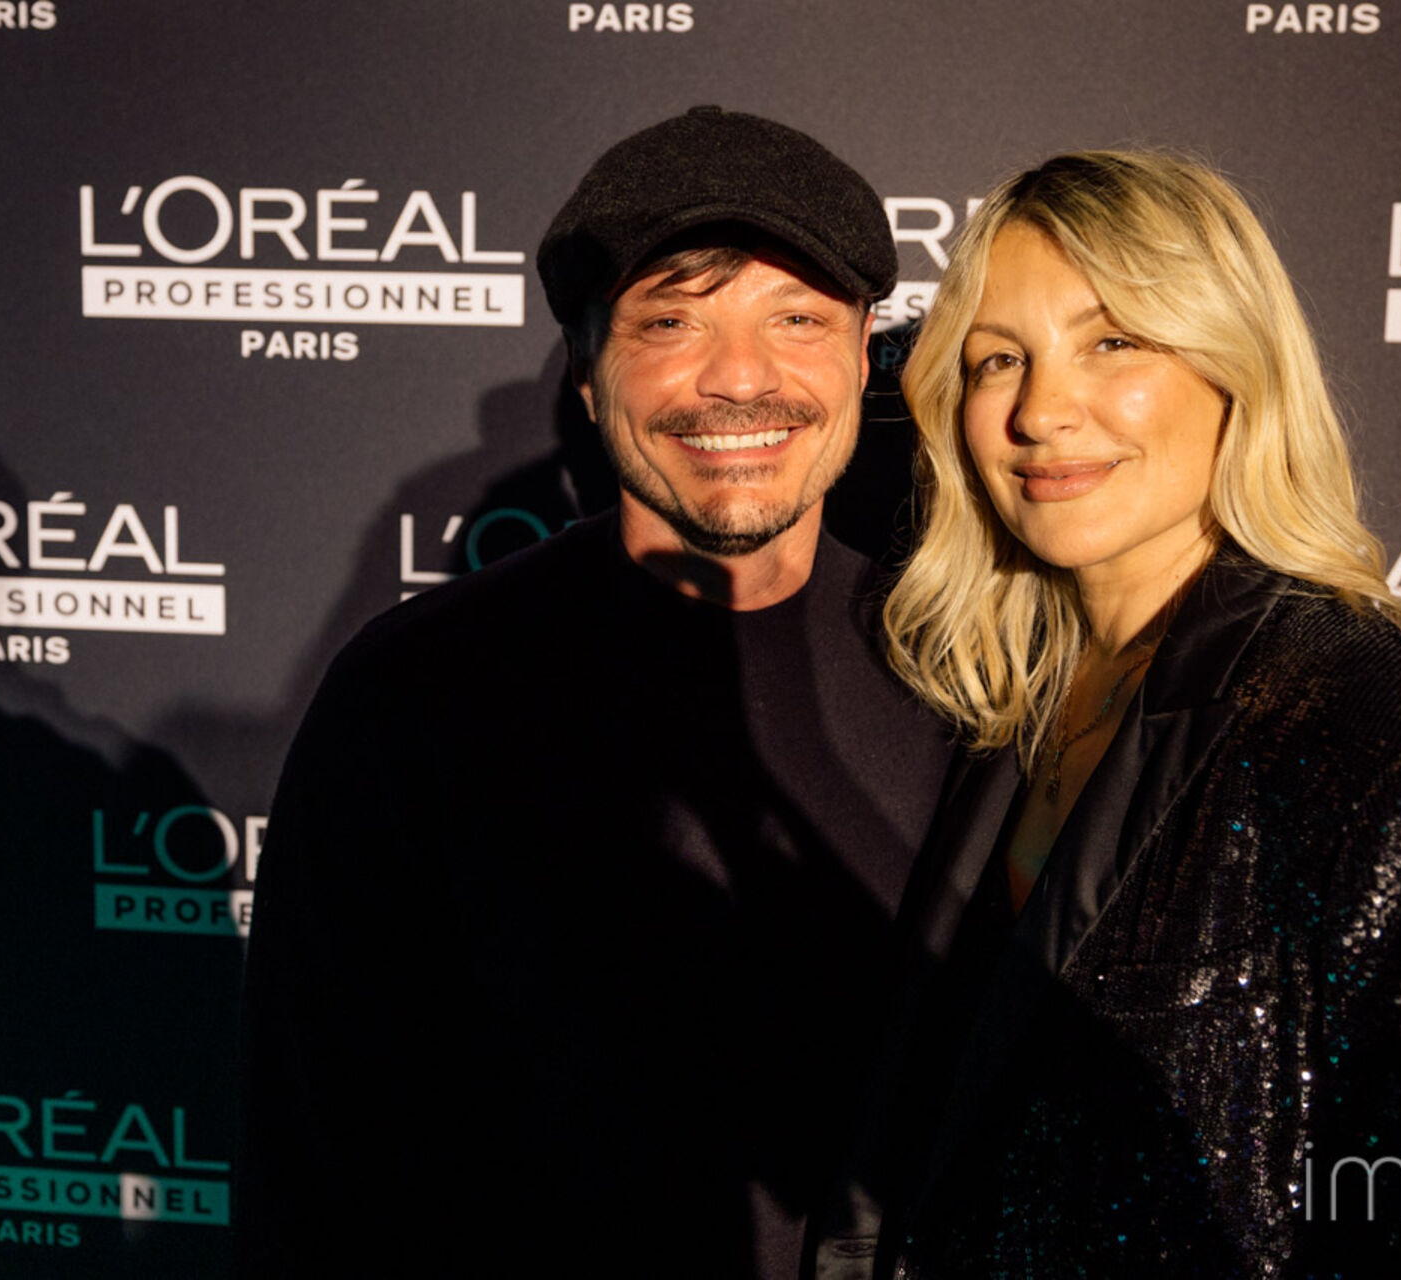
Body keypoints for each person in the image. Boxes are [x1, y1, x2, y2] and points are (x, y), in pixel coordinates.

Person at [816, 152, 1401, 1278]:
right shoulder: (1005, 710)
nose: (1041, 410)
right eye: (997, 359)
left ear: (1237, 368)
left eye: (1115, 341)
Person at [236, 107, 951, 1279]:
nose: (741, 379)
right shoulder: (416, 694)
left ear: (864, 348)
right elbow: (314, 1168)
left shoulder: (966, 673)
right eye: (671, 320)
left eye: (796, 319)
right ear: (585, 367)